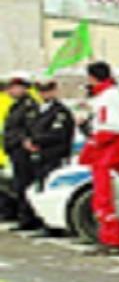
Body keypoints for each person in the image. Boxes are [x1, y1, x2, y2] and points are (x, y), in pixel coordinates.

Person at [79, 61, 119, 255]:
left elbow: (111, 127)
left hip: (109, 152)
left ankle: (114, 239)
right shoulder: (112, 95)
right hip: (111, 150)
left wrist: (94, 144)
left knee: (106, 198)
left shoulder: (108, 97)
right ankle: (113, 237)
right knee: (107, 197)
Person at [24, 78, 76, 233]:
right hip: (38, 155)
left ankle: (52, 226)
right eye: (41, 91)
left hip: (54, 155)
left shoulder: (60, 112)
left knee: (50, 189)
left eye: (47, 90)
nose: (44, 94)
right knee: (38, 188)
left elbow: (58, 134)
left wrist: (35, 140)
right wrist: (28, 141)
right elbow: (28, 128)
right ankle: (41, 221)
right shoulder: (36, 110)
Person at [3, 72, 42, 231]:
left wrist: (21, 140)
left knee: (25, 184)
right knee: (19, 185)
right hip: (15, 149)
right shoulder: (16, 106)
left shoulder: (28, 106)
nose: (10, 91)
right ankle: (24, 216)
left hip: (23, 151)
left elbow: (28, 129)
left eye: (14, 88)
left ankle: (29, 218)